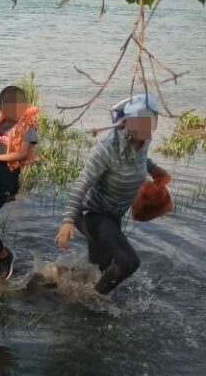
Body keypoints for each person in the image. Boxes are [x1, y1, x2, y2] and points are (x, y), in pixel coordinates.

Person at [55, 92, 170, 294]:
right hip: (92, 215)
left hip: (113, 216)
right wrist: (67, 221)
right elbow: (82, 184)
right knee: (129, 262)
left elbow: (139, 159)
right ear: (126, 122)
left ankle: (60, 282)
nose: (146, 126)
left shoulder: (144, 139)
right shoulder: (107, 149)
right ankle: (91, 300)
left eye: (150, 121)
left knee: (99, 269)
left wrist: (152, 168)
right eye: (140, 121)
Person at [0, 85, 39, 279]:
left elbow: (22, 153)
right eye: (7, 105)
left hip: (5, 182)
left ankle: (3, 256)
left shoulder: (29, 129)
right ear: (1, 106)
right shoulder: (0, 122)